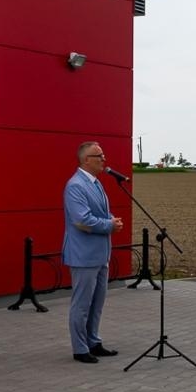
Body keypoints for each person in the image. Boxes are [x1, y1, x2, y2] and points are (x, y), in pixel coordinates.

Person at [63, 141, 124, 364]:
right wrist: (109, 225)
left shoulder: (97, 183)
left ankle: (93, 341)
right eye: (98, 155)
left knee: (97, 303)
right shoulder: (76, 185)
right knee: (82, 304)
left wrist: (112, 219)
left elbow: (100, 212)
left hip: (100, 254)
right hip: (84, 255)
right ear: (86, 160)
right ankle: (80, 348)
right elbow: (81, 220)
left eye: (103, 154)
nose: (103, 159)